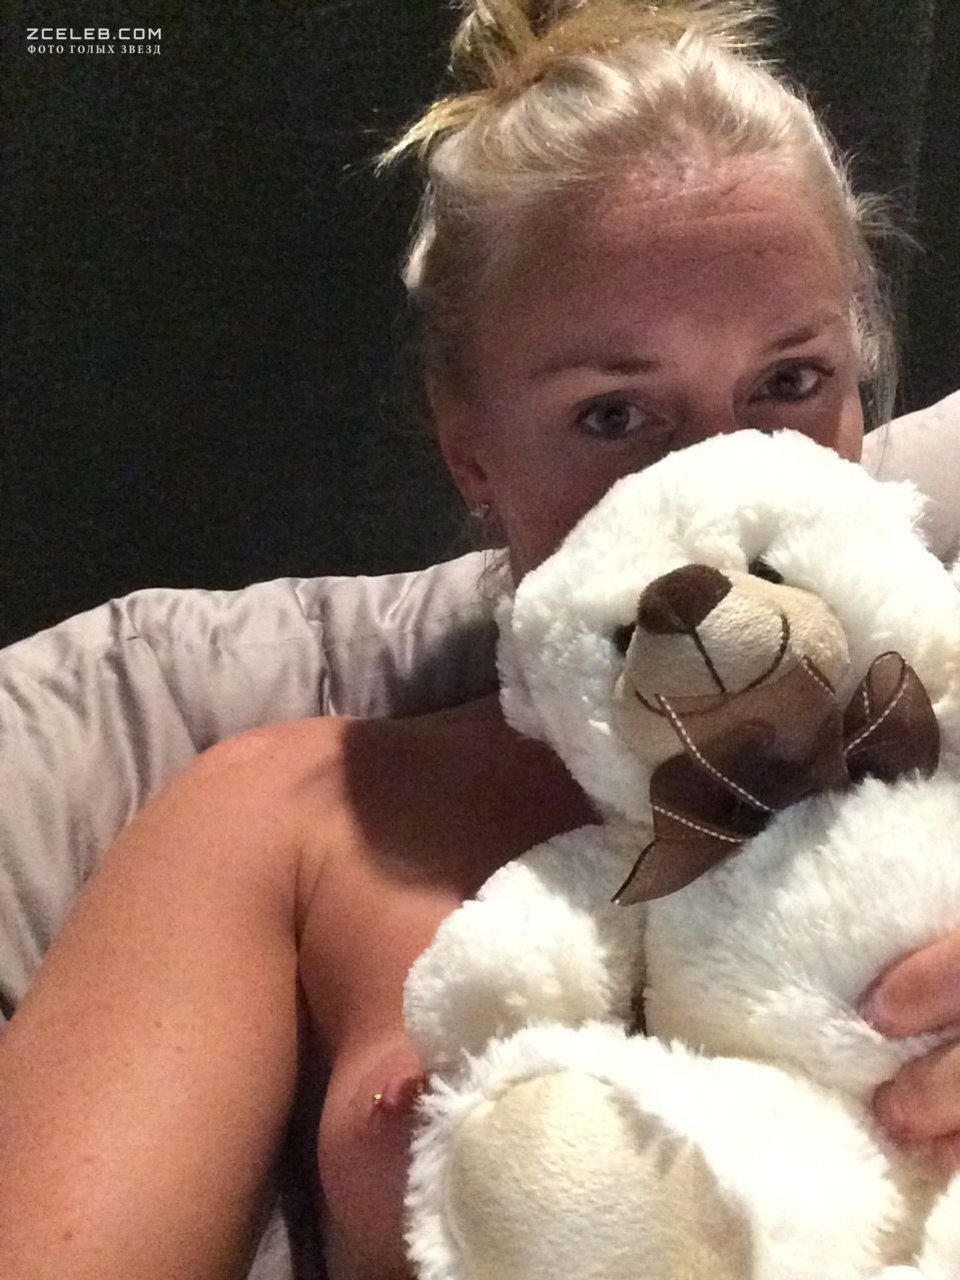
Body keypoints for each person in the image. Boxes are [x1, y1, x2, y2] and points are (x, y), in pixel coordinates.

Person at [1, 2, 959, 1278]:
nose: (721, 473)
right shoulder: (289, 824)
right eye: (613, 412)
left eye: (790, 382)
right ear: (472, 452)